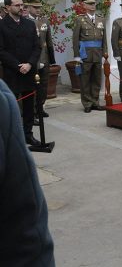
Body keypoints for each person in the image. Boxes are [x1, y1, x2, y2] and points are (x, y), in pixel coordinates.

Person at [0, 78, 55, 266]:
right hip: (14, 68)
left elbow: (25, 236)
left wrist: (30, 63)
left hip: (28, 69)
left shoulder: (2, 106)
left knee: (31, 102)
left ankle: (28, 130)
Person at [0, 0, 41, 146]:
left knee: (30, 105)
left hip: (29, 70)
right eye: (17, 5)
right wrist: (18, 65)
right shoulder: (2, 25)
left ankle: (28, 134)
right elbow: (1, 51)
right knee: (12, 106)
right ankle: (13, 137)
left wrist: (29, 64)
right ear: (7, 8)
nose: (21, 7)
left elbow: (37, 47)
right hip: (13, 72)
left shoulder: (29, 24)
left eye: (22, 4)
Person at [72, 0, 107, 113]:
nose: (93, 6)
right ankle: (87, 103)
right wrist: (77, 55)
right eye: (90, 4)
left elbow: (104, 39)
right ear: (84, 6)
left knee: (97, 79)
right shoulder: (79, 19)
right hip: (85, 54)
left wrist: (104, 54)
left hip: (98, 53)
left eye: (94, 4)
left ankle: (95, 102)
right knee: (85, 79)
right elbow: (75, 38)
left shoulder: (101, 19)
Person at [26, 0, 55, 122]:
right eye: (35, 7)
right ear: (29, 8)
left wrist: (52, 59)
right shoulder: (25, 22)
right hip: (32, 59)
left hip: (45, 58)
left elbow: (49, 42)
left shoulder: (44, 21)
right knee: (32, 86)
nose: (37, 10)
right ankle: (31, 111)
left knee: (43, 86)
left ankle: (40, 108)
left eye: (39, 8)